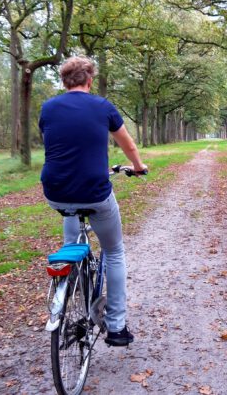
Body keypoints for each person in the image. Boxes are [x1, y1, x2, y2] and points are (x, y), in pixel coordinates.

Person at [39, 56, 147, 346]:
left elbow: (53, 142)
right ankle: (116, 326)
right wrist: (137, 166)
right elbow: (129, 144)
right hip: (94, 191)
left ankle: (69, 267)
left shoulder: (48, 108)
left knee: (70, 213)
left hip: (55, 191)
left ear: (64, 82)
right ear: (89, 80)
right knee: (113, 251)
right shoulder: (102, 106)